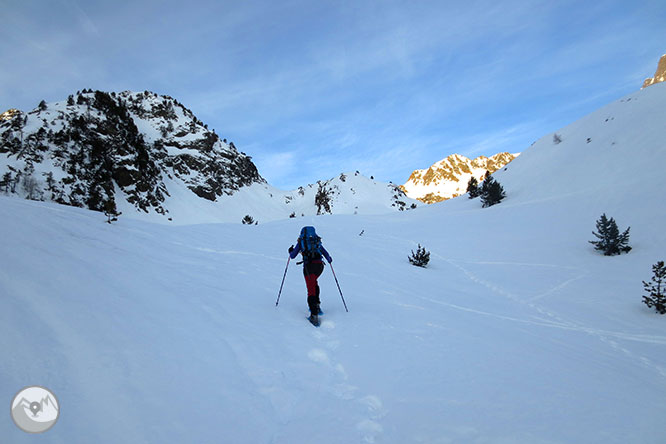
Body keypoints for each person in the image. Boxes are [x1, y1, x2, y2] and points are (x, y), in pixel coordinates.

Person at [288, 226, 332, 325]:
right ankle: (317, 305)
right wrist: (329, 259)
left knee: (311, 289)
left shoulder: (302, 241)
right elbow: (326, 253)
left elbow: (293, 256)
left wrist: (290, 251)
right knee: (314, 283)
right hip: (320, 267)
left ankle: (314, 315)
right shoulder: (316, 240)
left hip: (309, 267)